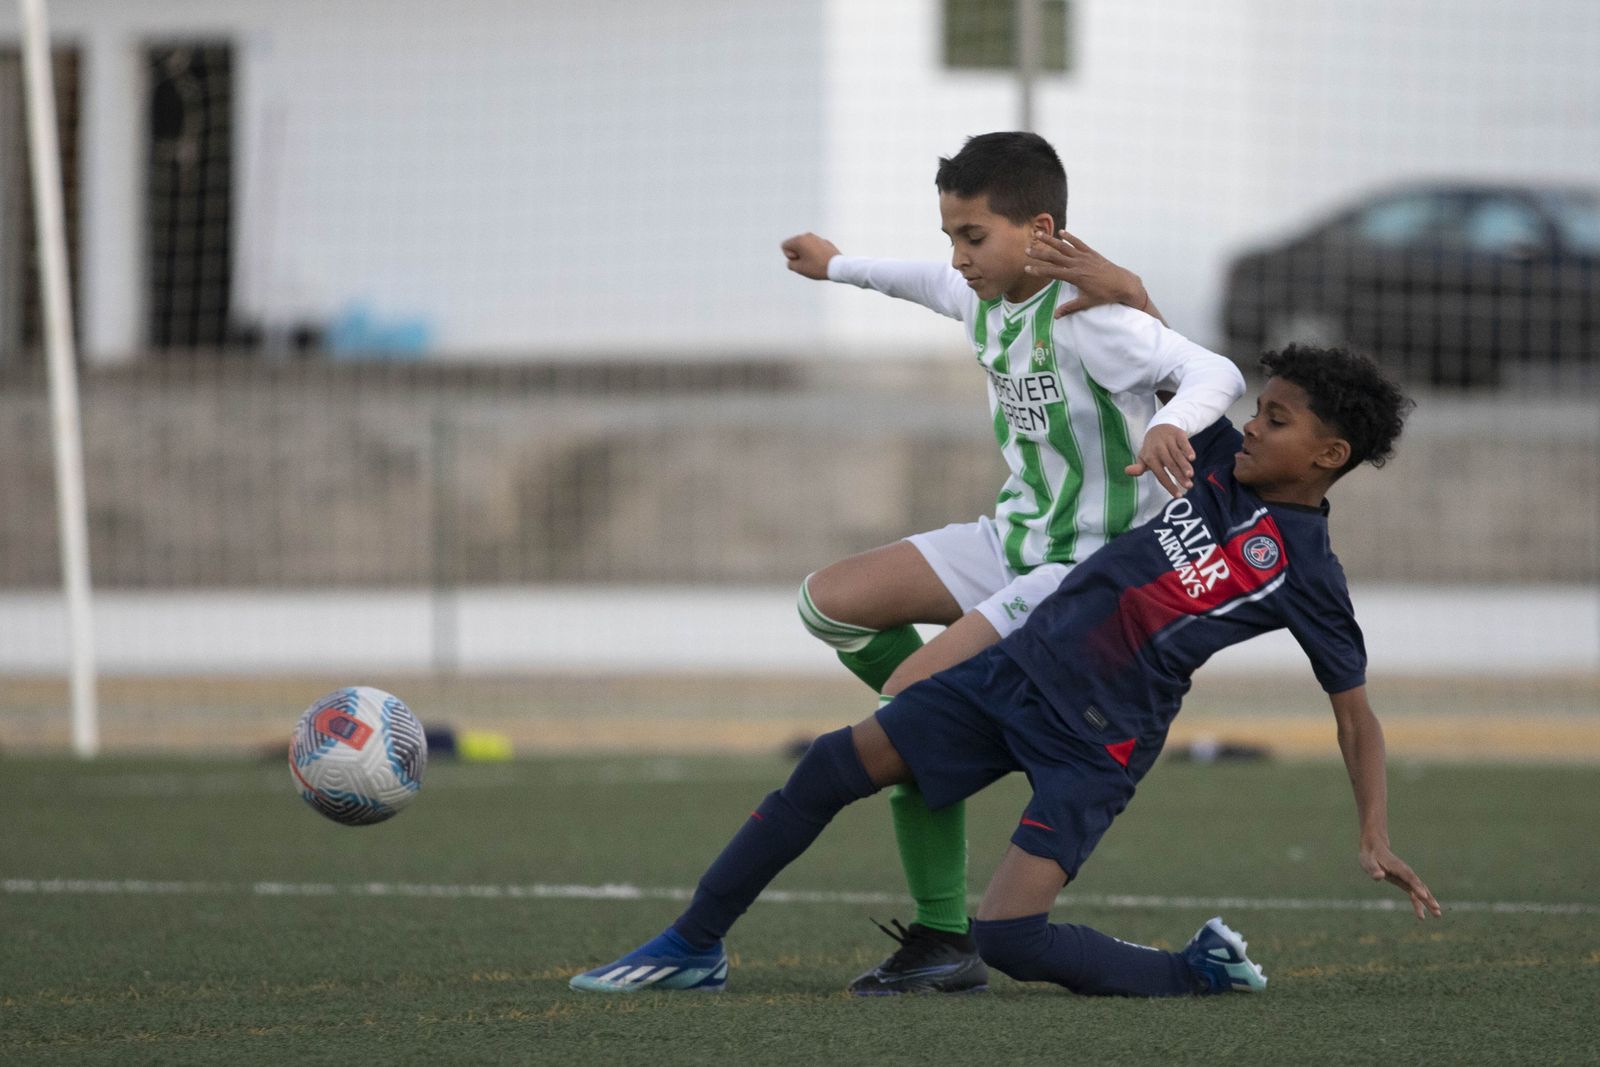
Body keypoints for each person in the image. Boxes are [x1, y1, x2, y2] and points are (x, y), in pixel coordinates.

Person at [569, 345, 1442, 997]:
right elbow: (1163, 341)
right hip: (1015, 675)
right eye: (1259, 408)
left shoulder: (1308, 570)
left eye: (1278, 420)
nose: (1252, 424)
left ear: (1330, 456)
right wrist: (1085, 272)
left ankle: (1193, 970)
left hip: (1098, 740)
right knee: (831, 765)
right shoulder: (1213, 461)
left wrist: (1374, 832)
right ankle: (693, 944)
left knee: (1010, 939)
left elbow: (1355, 713)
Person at [781, 131, 1246, 993]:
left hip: (1084, 570)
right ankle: (976, 706)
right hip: (1013, 538)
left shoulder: (1093, 316)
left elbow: (1213, 369)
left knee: (906, 715)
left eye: (972, 236)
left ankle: (945, 937)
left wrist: (1174, 420)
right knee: (825, 604)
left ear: (1039, 229)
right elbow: (920, 281)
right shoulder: (983, 294)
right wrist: (839, 267)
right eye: (951, 235)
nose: (956, 257)